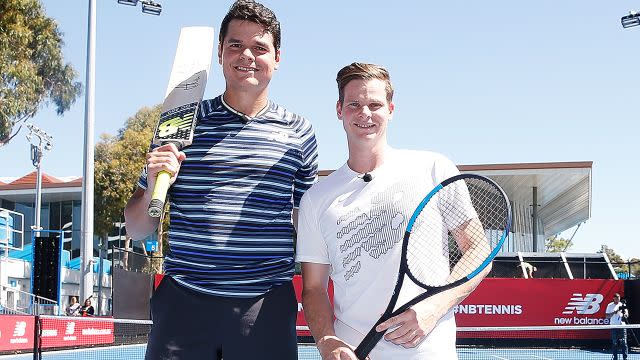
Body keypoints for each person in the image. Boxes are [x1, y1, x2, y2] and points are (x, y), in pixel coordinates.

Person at [124, 1, 318, 359]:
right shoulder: (178, 124)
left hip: (265, 308)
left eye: (260, 47)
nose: (247, 55)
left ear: (277, 58)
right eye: (235, 45)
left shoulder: (299, 132)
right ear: (219, 53)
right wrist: (153, 185)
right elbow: (137, 229)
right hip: (183, 306)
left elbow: (306, 224)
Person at [296, 63, 490, 360]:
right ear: (339, 110)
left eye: (375, 104)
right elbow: (313, 288)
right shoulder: (316, 198)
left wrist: (434, 307)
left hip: (429, 350)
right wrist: (327, 341)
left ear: (391, 109)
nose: (365, 113)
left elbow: (478, 250)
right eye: (354, 104)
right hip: (356, 351)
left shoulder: (434, 168)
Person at [606, 293, 629, 360]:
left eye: (618, 298)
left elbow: (627, 314)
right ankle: (615, 358)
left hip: (622, 326)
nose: (617, 300)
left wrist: (625, 315)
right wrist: (614, 312)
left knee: (624, 342)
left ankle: (625, 358)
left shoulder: (623, 305)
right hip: (613, 326)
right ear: (614, 298)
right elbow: (607, 316)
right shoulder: (609, 305)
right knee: (615, 343)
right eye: (616, 298)